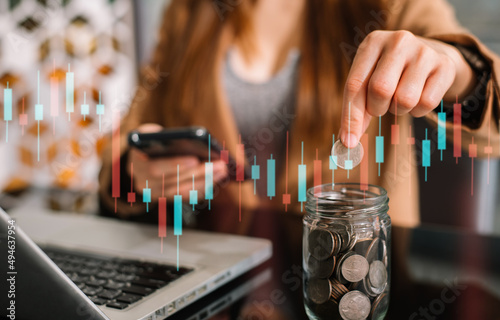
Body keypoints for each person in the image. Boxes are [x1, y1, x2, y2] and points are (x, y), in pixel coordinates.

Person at [99, 0, 500, 227]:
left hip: (351, 276)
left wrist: (454, 66)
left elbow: (487, 103)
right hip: (221, 277)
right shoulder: (187, 12)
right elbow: (122, 156)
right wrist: (136, 171)